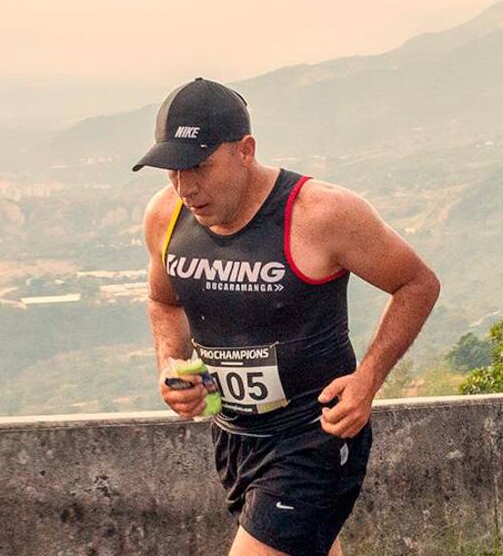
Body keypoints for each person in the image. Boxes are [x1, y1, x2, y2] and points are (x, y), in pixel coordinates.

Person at [136, 77, 440, 556]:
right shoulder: (166, 216)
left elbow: (417, 284)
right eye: (172, 170)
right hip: (235, 436)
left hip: (315, 436)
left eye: (199, 166)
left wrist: (368, 380)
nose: (186, 186)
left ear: (245, 150)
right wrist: (171, 366)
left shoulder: (321, 213)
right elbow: (164, 301)